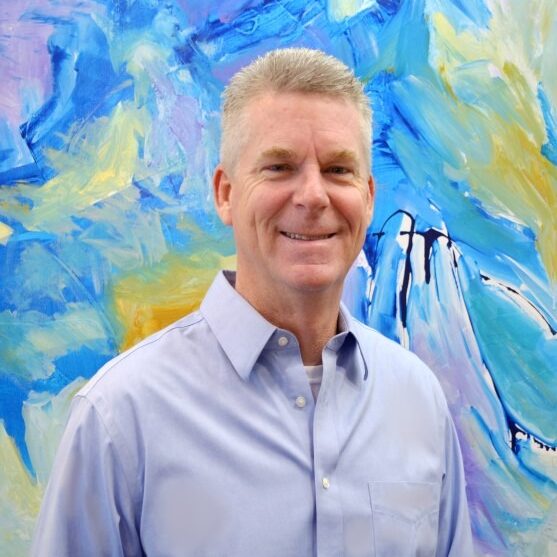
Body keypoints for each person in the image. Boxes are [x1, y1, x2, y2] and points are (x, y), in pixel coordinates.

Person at [31, 48, 473, 556]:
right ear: (225, 193)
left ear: (369, 197)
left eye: (338, 169)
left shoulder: (418, 401)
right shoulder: (120, 417)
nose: (313, 196)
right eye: (279, 167)